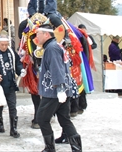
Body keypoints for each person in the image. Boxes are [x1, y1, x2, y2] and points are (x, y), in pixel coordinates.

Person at [34, 24, 81, 152]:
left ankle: (50, 148)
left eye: (38, 33)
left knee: (42, 119)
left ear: (46, 34)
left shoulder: (52, 48)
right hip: (61, 90)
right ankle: (77, 148)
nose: (36, 36)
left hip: (53, 91)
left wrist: (60, 88)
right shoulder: (56, 46)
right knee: (64, 119)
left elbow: (57, 69)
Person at [0, 30, 25, 137]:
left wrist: (21, 70)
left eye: (6, 45)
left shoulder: (11, 52)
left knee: (13, 107)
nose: (4, 47)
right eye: (2, 45)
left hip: (10, 84)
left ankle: (14, 129)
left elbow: (17, 63)